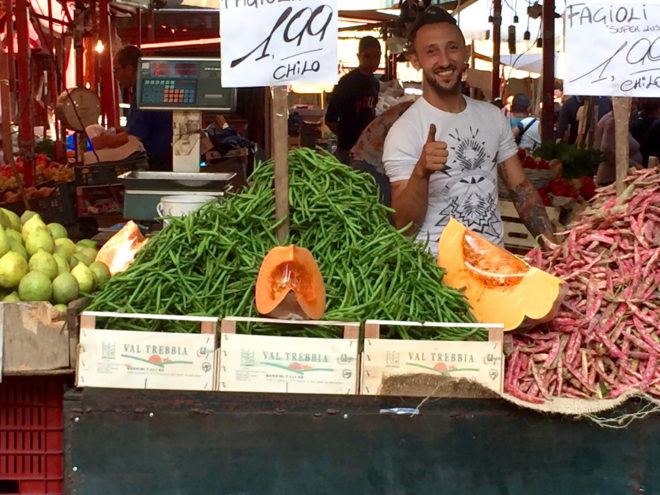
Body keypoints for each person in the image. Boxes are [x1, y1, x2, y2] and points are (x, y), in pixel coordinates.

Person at [382, 6, 555, 254]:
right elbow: (405, 227)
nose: (444, 60)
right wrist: (421, 172)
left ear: (466, 53)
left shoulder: (492, 117)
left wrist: (552, 249)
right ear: (415, 61)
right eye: (432, 52)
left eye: (452, 48)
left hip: (493, 266)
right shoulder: (405, 131)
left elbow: (520, 188)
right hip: (437, 277)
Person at [114, 45, 173, 171]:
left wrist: (105, 141)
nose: (116, 76)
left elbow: (135, 134)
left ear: (129, 69)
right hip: (165, 155)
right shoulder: (145, 86)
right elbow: (142, 125)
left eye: (116, 70)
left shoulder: (144, 91)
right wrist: (120, 131)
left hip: (159, 161)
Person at [325, 36, 381, 164]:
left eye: (376, 56)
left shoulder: (375, 84)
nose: (372, 61)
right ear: (358, 57)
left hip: (368, 149)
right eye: (367, 56)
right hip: (347, 150)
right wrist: (347, 136)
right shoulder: (346, 83)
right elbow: (330, 120)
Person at [350, 99, 415, 206]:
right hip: (369, 160)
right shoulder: (414, 113)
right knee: (379, 205)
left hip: (367, 156)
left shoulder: (411, 107)